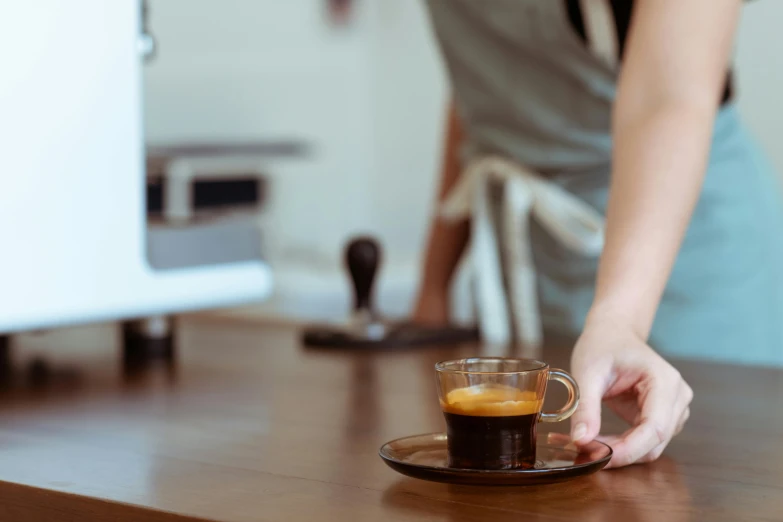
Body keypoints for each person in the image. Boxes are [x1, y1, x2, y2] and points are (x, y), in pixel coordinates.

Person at [413, 0, 783, 468]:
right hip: (537, 259)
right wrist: (432, 286)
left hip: (685, 259)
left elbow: (667, 96)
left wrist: (620, 320)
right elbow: (485, 95)